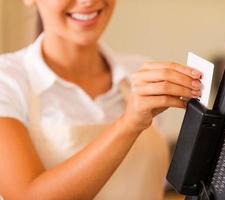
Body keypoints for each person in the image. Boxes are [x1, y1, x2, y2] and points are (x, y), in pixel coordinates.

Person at [0, 0, 203, 199]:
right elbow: (26, 195)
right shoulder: (7, 80)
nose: (87, 2)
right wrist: (129, 123)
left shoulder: (140, 72)